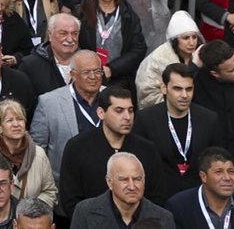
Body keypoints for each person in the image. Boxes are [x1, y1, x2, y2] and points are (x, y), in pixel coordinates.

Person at [56, 86, 166, 218]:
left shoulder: (147, 149)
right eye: (119, 111)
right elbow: (70, 199)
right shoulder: (77, 147)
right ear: (101, 113)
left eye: (130, 110)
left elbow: (157, 196)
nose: (127, 117)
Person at [133, 62, 218, 200]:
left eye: (189, 89)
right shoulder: (145, 119)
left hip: (198, 197)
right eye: (178, 89)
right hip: (159, 197)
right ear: (164, 88)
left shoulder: (209, 119)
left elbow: (214, 160)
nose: (185, 95)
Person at [0, 98, 58, 209]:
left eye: (20, 119)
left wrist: (29, 211)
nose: (16, 124)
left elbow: (50, 192)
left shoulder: (38, 154)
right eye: (10, 120)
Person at [29, 50, 107, 169]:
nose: (93, 77)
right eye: (86, 72)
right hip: (65, 176)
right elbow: (37, 148)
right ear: (73, 75)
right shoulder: (49, 102)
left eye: (97, 71)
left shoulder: (113, 97)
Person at [67, 152, 174, 229]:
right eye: (124, 180)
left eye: (137, 179)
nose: (132, 186)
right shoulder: (85, 212)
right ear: (109, 182)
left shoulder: (164, 218)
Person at [19, 13, 81, 98]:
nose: (70, 39)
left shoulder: (89, 62)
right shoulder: (30, 66)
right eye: (63, 33)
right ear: (50, 35)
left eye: (74, 34)